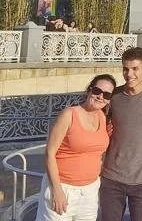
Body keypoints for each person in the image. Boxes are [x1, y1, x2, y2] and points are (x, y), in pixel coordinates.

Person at [37, 74, 116, 221]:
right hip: (64, 188)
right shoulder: (69, 114)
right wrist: (57, 190)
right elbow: (50, 153)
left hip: (90, 191)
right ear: (90, 90)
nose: (100, 97)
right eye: (97, 91)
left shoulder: (102, 116)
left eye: (106, 94)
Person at [100, 47, 142, 221]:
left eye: (135, 69)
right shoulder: (112, 96)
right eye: (125, 69)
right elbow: (94, 121)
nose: (129, 74)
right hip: (111, 177)